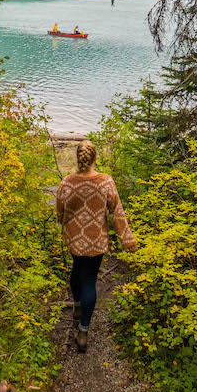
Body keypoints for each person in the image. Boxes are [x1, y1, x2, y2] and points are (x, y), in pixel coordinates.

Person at [56, 140, 136, 353]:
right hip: (96, 241)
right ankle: (83, 331)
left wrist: (64, 223)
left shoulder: (67, 183)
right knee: (89, 281)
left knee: (76, 271)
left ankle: (78, 307)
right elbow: (117, 212)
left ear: (78, 158)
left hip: (74, 239)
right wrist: (126, 238)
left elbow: (60, 211)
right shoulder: (105, 182)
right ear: (95, 158)